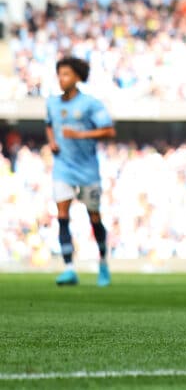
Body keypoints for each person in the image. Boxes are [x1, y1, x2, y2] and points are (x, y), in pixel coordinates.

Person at [45, 57, 116, 287]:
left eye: (66, 74)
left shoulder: (90, 104)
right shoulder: (52, 103)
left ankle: (103, 264)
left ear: (77, 77)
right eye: (59, 74)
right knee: (62, 215)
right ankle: (69, 269)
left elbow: (109, 131)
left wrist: (81, 135)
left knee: (94, 217)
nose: (61, 79)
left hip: (87, 170)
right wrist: (52, 141)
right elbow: (49, 125)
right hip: (62, 168)